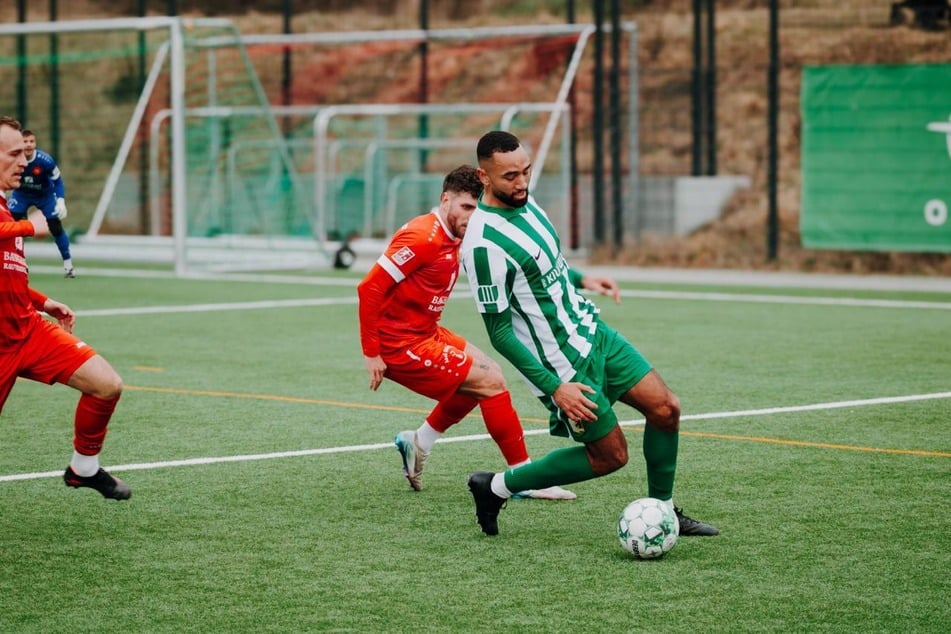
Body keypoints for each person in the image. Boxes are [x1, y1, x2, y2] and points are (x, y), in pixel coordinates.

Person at [459, 130, 718, 537]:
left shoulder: (527, 202)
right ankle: (494, 487)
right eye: (510, 176)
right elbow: (500, 333)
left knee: (666, 408)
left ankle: (664, 512)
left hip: (592, 331)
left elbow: (546, 265)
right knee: (610, 456)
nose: (522, 182)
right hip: (561, 365)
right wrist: (556, 388)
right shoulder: (483, 245)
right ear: (484, 177)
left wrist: (582, 278)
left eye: (525, 171)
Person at [357, 164, 575, 501]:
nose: (472, 217)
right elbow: (369, 288)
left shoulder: (462, 234)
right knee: (488, 383)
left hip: (426, 332)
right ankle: (525, 477)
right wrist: (372, 352)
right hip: (399, 343)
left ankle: (419, 441)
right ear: (446, 200)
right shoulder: (422, 237)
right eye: (465, 207)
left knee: (488, 373)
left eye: (478, 208)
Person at [0, 115, 129, 500]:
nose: (25, 162)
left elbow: (9, 273)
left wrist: (43, 301)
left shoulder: (5, 206)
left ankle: (83, 469)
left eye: (25, 153)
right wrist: (33, 227)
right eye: (13, 154)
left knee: (106, 385)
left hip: (27, 328)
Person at [8, 129, 75, 278]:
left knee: (55, 227)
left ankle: (68, 265)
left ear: (35, 143)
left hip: (45, 196)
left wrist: (61, 200)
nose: (29, 145)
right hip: (21, 195)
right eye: (25, 141)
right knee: (12, 227)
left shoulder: (45, 161)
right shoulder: (12, 159)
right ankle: (16, 263)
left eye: (32, 141)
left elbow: (57, 181)